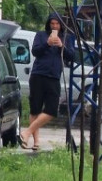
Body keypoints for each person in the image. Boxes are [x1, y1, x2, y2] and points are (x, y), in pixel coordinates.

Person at [20, 13, 75, 150]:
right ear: (48, 24)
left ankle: (26, 132)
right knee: (35, 108)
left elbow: (72, 56)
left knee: (51, 110)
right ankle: (34, 141)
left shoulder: (67, 38)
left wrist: (62, 46)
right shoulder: (41, 35)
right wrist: (47, 44)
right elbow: (35, 52)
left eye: (57, 23)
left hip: (54, 76)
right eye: (52, 23)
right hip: (38, 74)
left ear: (61, 24)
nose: (54, 26)